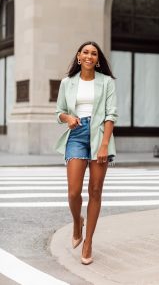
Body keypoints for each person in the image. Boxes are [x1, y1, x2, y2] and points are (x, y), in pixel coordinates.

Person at [55, 41, 118, 265]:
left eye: (94, 53)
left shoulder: (107, 82)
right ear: (79, 56)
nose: (90, 56)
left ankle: (88, 241)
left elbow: (111, 115)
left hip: (99, 134)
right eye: (86, 52)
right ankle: (76, 221)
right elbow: (59, 111)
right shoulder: (67, 83)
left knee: (95, 190)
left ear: (97, 59)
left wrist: (104, 144)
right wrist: (68, 118)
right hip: (77, 135)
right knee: (73, 193)